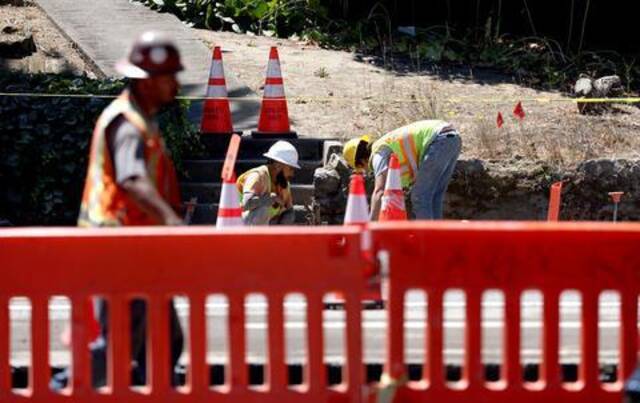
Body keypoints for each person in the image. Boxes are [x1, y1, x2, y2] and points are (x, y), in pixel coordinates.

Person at [54, 31, 185, 388]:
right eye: (169, 76)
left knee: (164, 342)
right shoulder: (128, 124)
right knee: (116, 349)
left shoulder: (140, 119)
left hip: (134, 250)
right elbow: (131, 179)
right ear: (147, 82)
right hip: (121, 251)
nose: (176, 83)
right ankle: (61, 390)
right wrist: (173, 222)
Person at [342, 120, 461, 220]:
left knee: (420, 197)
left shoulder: (378, 154)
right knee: (434, 195)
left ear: (361, 162)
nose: (366, 171)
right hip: (452, 138)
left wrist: (370, 224)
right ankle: (436, 240)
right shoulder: (387, 146)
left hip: (439, 141)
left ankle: (428, 241)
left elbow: (379, 191)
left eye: (361, 168)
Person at [236, 141, 300, 225]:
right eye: (291, 168)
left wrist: (286, 220)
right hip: (238, 225)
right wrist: (270, 199)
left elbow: (289, 210)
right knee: (262, 210)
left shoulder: (283, 184)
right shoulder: (257, 176)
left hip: (264, 225)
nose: (292, 174)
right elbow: (245, 204)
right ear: (278, 166)